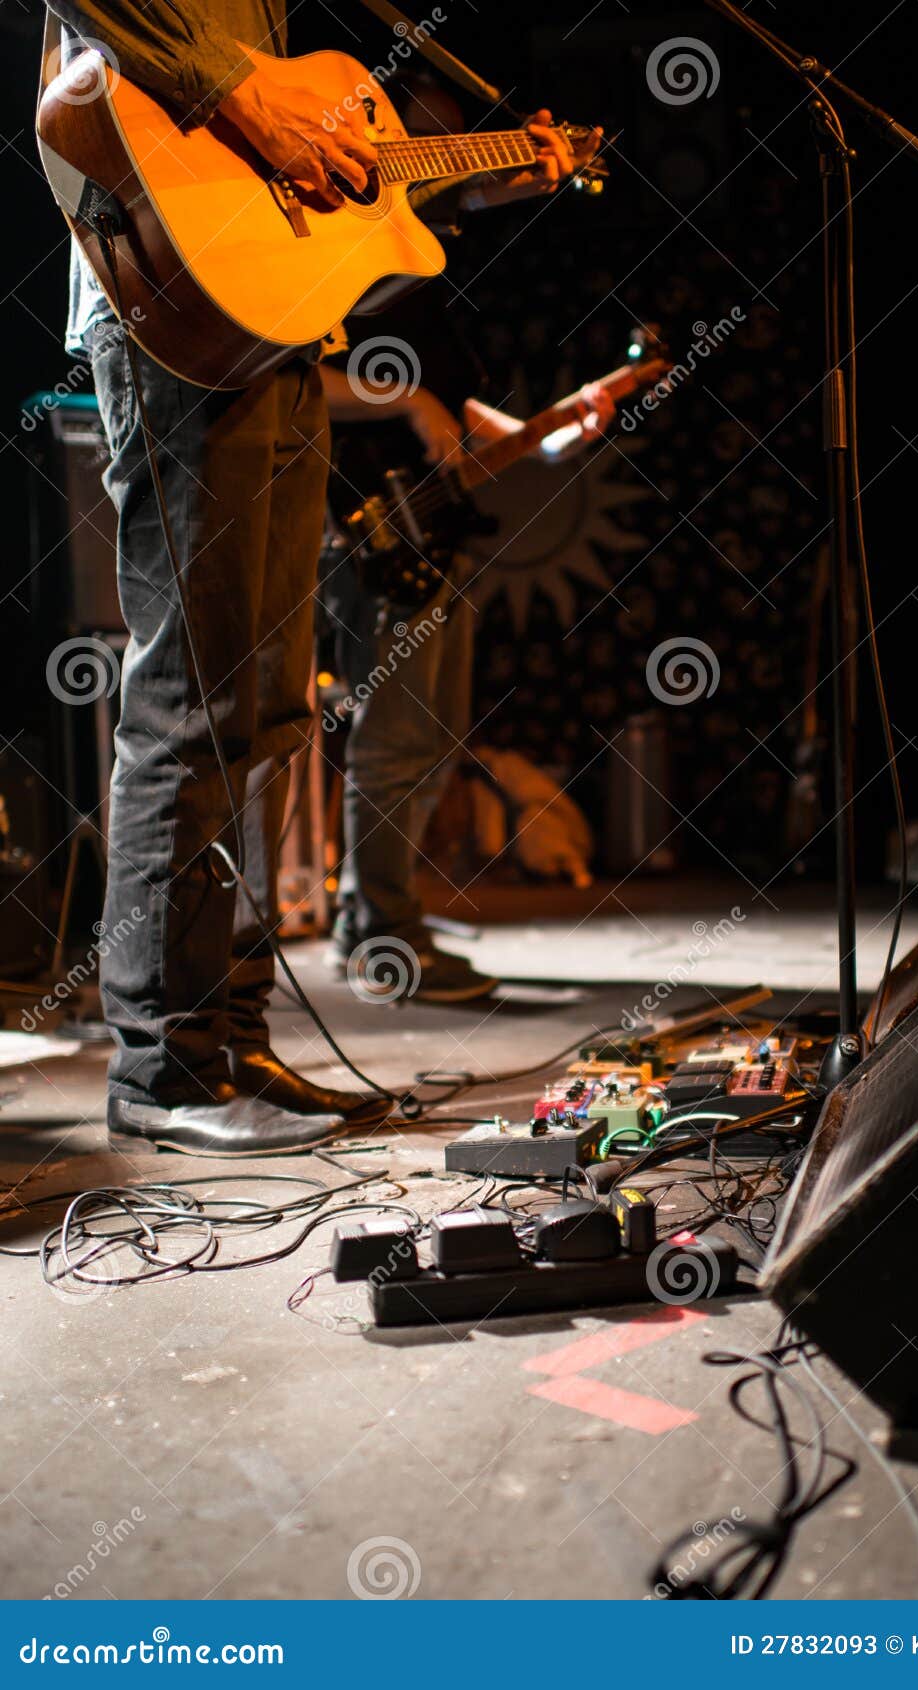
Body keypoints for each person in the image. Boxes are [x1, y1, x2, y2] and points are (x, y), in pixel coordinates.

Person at [42, 0, 587, 1153]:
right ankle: (166, 1066)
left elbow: (319, 180)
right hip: (171, 315)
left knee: (265, 709)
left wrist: (478, 178)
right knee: (193, 701)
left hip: (270, 323)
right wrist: (240, 95)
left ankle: (231, 1039)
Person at [319, 339, 614, 1002]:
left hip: (436, 548)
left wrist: (559, 436)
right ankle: (387, 938)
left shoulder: (424, 296)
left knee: (433, 744)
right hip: (370, 539)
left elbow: (471, 423)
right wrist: (408, 398)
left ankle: (362, 924)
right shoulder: (352, 276)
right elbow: (296, 377)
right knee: (395, 745)